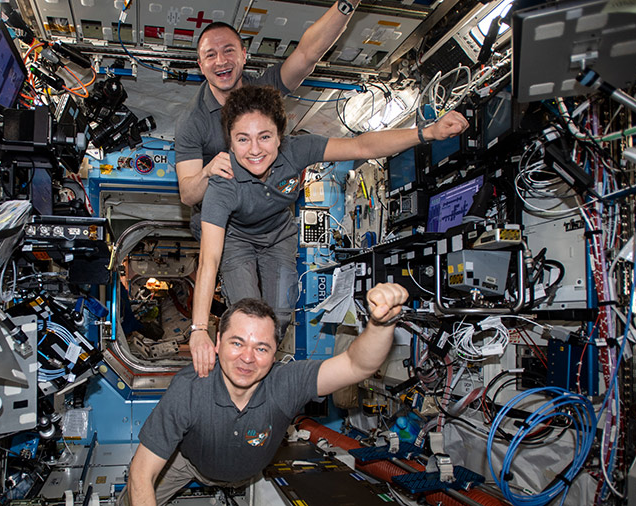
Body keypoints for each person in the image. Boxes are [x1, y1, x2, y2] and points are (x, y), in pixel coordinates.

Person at [188, 85, 468, 376]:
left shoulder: (296, 151)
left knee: (279, 318)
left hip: (277, 237)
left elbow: (362, 147)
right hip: (236, 239)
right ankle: (239, 383)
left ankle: (263, 379)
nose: (255, 149)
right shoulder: (223, 182)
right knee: (247, 317)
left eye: (265, 137)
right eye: (243, 139)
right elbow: (209, 259)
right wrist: (198, 330)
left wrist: (428, 133)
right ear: (230, 142)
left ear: (280, 136)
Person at [123, 282, 410, 506]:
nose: (247, 358)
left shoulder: (286, 382)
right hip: (189, 465)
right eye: (237, 343)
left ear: (275, 353)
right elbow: (141, 472)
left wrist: (380, 324)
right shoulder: (189, 388)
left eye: (261, 348)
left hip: (252, 473)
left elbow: (356, 365)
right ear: (218, 342)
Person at [176, 1, 363, 213]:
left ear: (244, 55)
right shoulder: (193, 121)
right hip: (224, 217)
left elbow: (307, 54)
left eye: (229, 51)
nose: (221, 61)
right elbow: (188, 195)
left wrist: (346, 4)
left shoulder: (263, 90)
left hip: (267, 210)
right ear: (200, 65)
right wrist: (207, 172)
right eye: (210, 55)